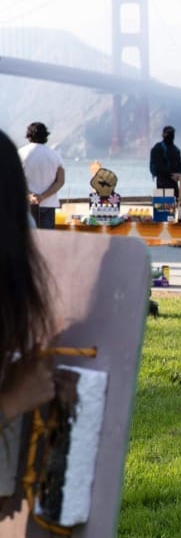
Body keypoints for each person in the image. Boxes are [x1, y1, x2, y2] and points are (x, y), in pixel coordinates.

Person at [0, 129, 56, 426]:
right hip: (46, 205)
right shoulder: (52, 155)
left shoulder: (22, 153)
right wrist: (11, 404)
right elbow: (60, 178)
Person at [17, 122, 65, 229]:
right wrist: (42, 196)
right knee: (46, 238)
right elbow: (60, 181)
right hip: (48, 204)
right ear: (45, 136)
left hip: (25, 204)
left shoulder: (20, 153)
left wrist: (30, 195)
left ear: (28, 135)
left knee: (26, 237)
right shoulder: (55, 155)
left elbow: (15, 179)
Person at [150, 125, 181, 196]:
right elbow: (159, 167)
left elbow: (180, 167)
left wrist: (178, 175)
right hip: (162, 182)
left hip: (173, 182)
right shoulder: (158, 148)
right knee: (164, 202)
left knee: (174, 200)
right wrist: (173, 175)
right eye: (169, 133)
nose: (171, 135)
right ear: (163, 134)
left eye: (172, 133)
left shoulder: (176, 150)